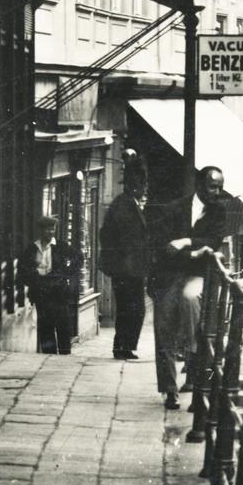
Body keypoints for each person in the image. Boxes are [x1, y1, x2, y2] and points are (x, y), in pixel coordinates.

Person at [148, 166, 235, 410]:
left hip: (197, 275)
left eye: (220, 187)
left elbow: (214, 240)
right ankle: (169, 390)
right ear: (199, 185)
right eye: (212, 187)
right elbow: (164, 247)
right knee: (163, 332)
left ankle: (193, 356)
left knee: (191, 305)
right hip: (168, 275)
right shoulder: (175, 209)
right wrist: (195, 252)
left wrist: (186, 242)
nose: (217, 192)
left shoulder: (219, 211)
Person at [99, 153, 150, 361]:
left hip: (128, 268)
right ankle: (123, 347)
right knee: (133, 309)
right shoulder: (124, 205)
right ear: (134, 185)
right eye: (141, 185)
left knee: (131, 309)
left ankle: (124, 346)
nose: (144, 188)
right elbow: (124, 239)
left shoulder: (127, 203)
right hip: (126, 268)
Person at [19, 216, 81, 355]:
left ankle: (65, 354)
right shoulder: (32, 248)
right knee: (45, 325)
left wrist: (66, 273)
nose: (50, 232)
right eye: (47, 229)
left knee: (63, 324)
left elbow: (78, 258)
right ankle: (49, 355)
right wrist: (33, 279)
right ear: (41, 230)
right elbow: (23, 269)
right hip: (41, 291)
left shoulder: (61, 246)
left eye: (52, 229)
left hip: (59, 290)